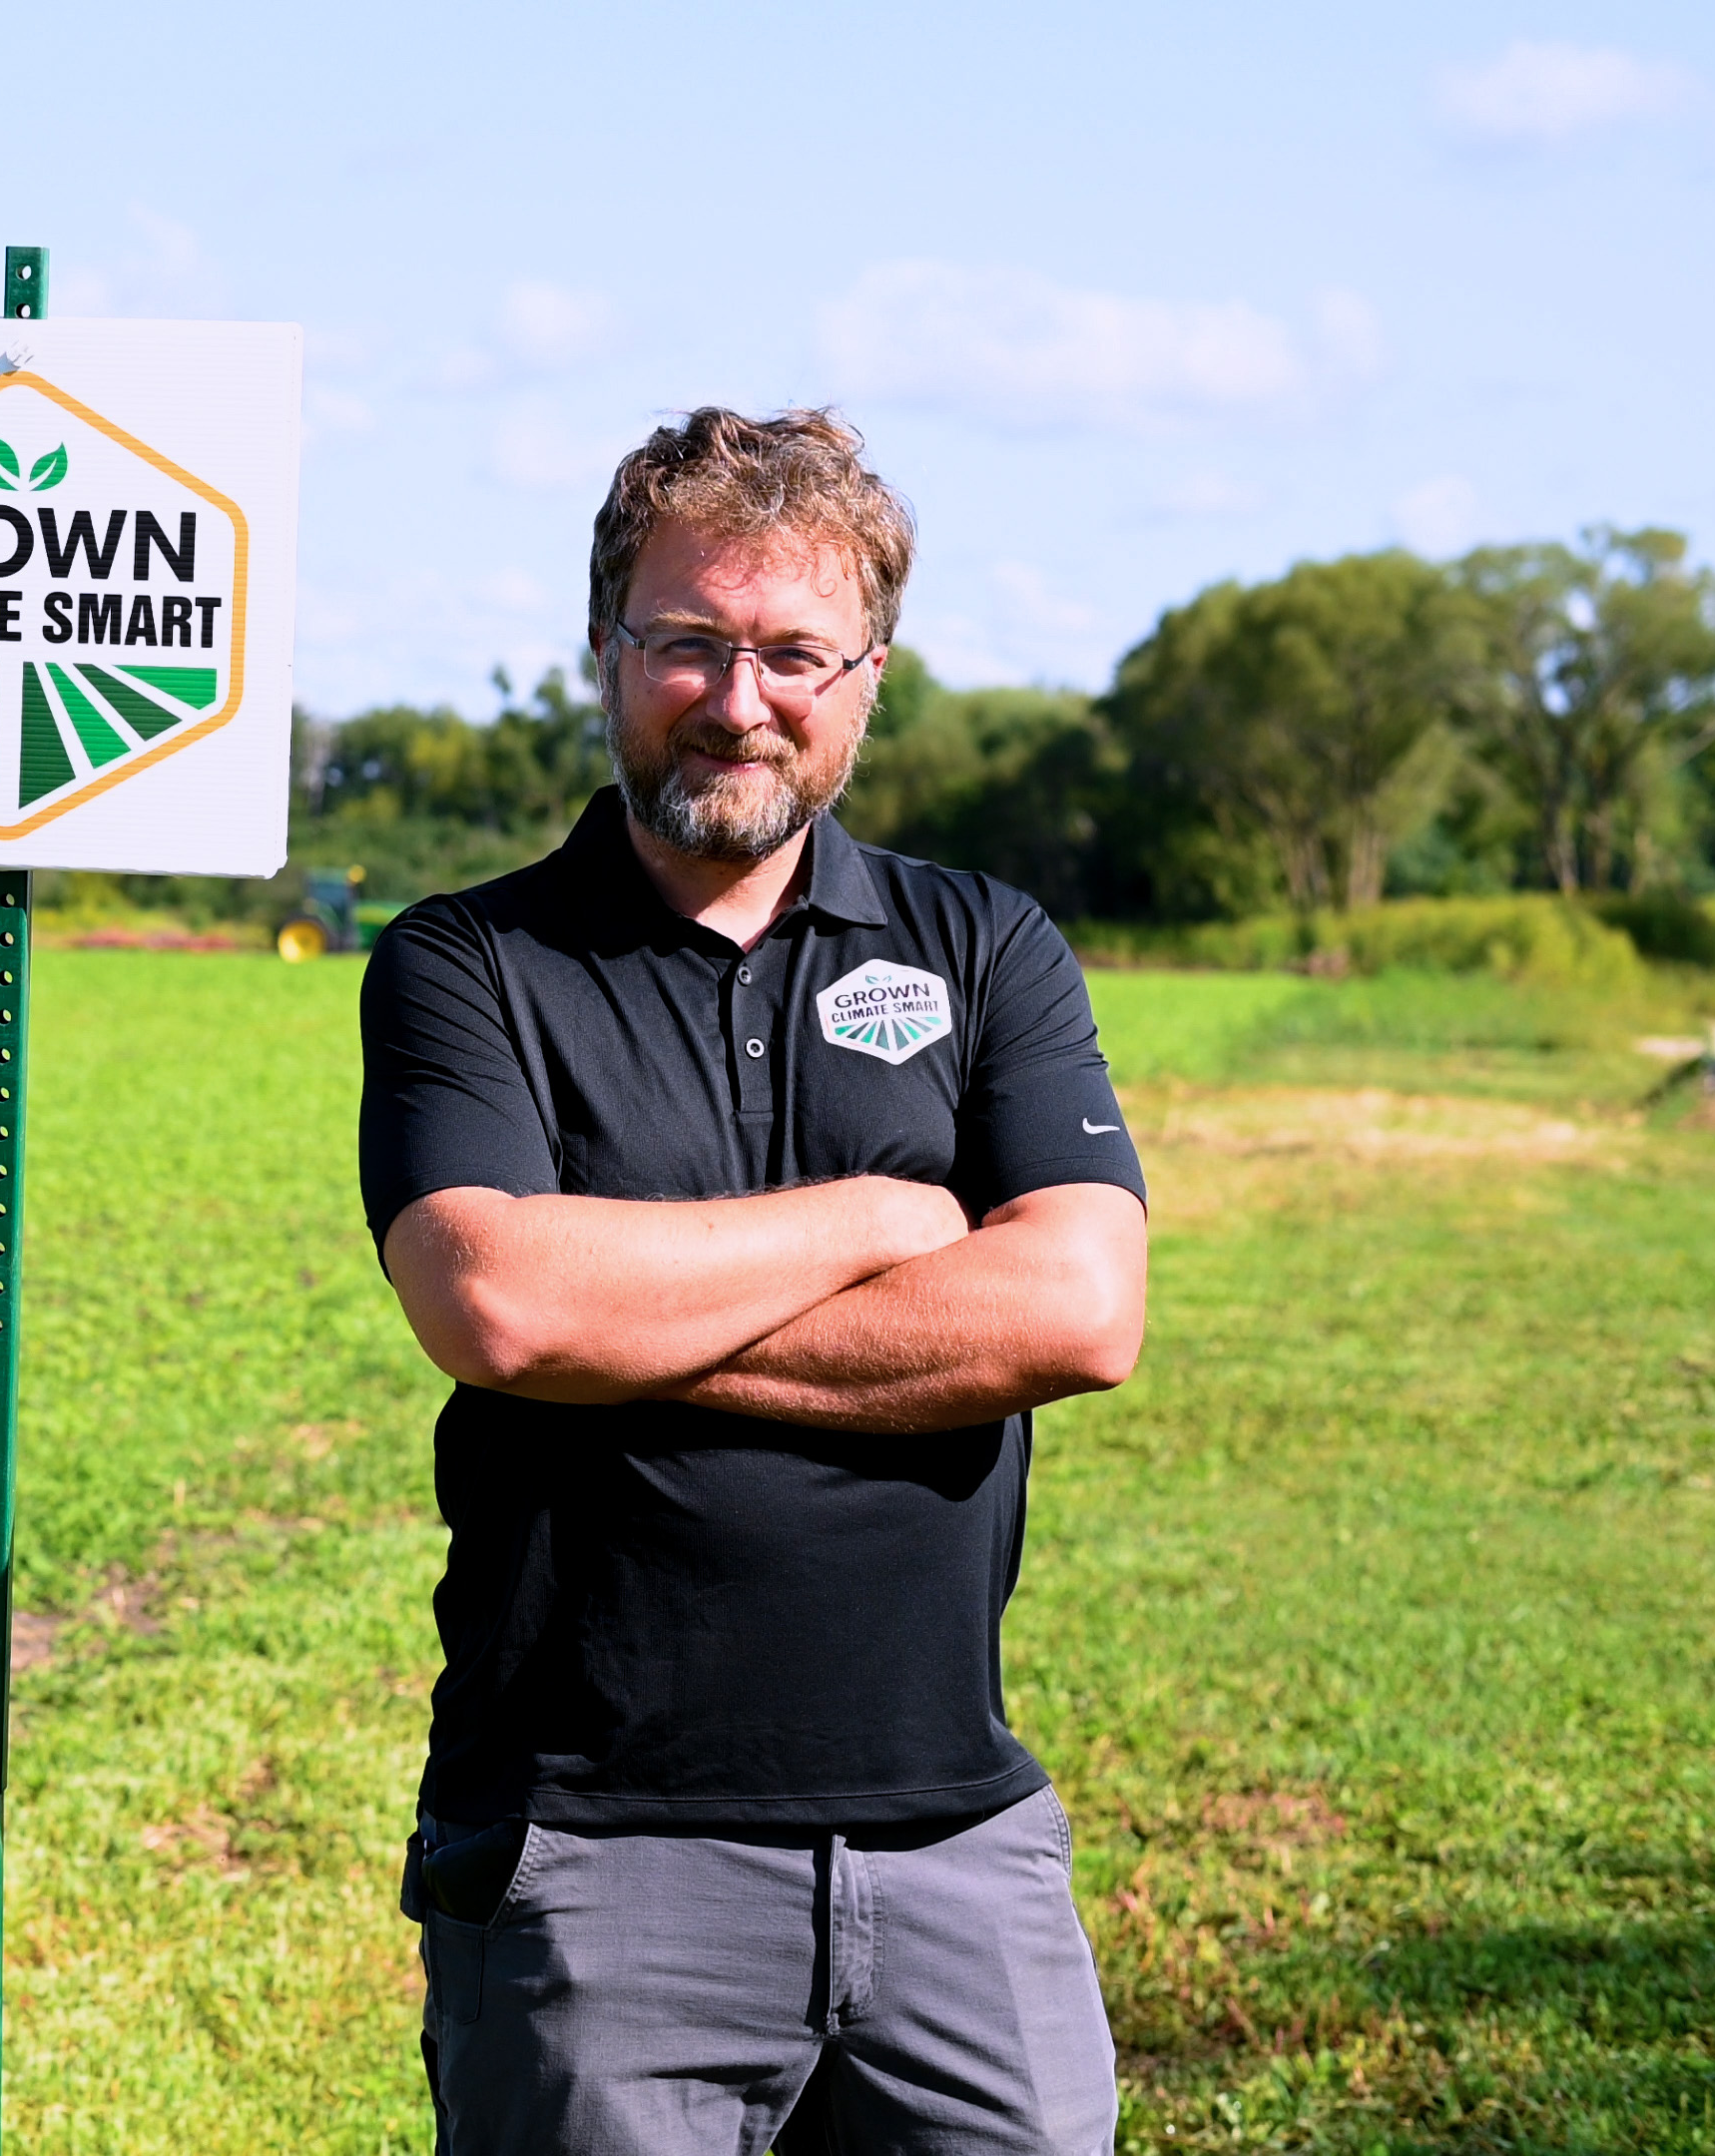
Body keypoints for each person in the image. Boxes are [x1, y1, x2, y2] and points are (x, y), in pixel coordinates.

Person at [358, 407, 1150, 2155]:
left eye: (794, 652)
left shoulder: (983, 945)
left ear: (867, 676)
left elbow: (1080, 1311)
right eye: (689, 643)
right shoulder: (467, 962)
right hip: (591, 1851)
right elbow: (500, 1306)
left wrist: (618, 1327)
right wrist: (886, 1216)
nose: (738, 698)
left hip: (960, 1847)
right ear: (604, 651)